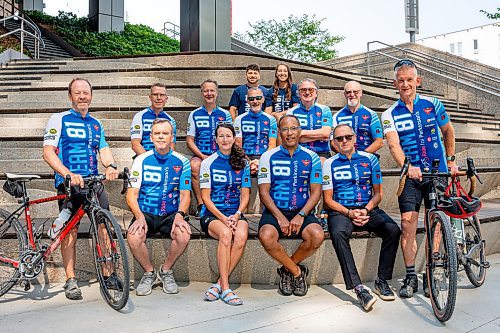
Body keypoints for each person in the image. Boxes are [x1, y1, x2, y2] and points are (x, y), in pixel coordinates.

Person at [381, 59, 458, 298]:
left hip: (437, 172)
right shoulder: (388, 114)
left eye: (409, 79)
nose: (405, 84)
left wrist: (452, 159)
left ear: (418, 81)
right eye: (401, 80)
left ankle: (433, 270)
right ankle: (411, 275)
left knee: (436, 222)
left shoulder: (433, 104)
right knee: (407, 223)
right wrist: (408, 165)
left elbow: (448, 131)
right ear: (395, 83)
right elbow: (394, 145)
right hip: (411, 175)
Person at [43, 78, 119, 300]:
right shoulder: (59, 119)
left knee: (104, 226)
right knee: (70, 230)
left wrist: (111, 165)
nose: (83, 96)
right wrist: (67, 173)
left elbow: (103, 149)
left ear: (91, 96)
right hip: (69, 184)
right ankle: (71, 279)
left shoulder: (96, 124)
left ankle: (109, 275)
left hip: (93, 183)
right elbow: (48, 152)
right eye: (78, 93)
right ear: (70, 96)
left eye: (86, 92)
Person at [323, 124, 400, 311]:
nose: (344, 141)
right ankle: (358, 288)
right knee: (338, 233)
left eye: (348, 137)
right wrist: (349, 213)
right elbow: (327, 199)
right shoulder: (328, 164)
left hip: (368, 208)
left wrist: (365, 210)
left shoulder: (371, 159)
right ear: (334, 143)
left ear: (355, 138)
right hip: (341, 210)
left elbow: (378, 194)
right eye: (339, 139)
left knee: (393, 230)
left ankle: (382, 281)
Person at [258, 115, 325, 297]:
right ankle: (296, 272)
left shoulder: (312, 157)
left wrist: (301, 215)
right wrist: (280, 217)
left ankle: (286, 270)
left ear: (300, 131)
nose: (290, 133)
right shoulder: (268, 156)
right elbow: (263, 192)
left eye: (294, 128)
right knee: (266, 237)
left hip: (301, 211)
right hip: (275, 211)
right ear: (279, 132)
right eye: (285, 129)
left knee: (317, 236)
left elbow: (316, 192)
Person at [126, 118, 192, 296]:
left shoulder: (182, 161)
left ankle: (165, 270)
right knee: (133, 237)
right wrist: (139, 216)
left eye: (165, 133)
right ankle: (149, 272)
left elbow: (186, 195)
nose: (161, 137)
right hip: (145, 212)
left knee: (184, 234)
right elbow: (131, 194)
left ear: (172, 137)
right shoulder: (141, 160)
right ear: (151, 137)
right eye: (157, 133)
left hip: (171, 213)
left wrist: (180, 214)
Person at [199, 123, 251, 306]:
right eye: (221, 136)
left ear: (234, 138)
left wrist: (237, 215)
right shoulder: (207, 163)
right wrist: (223, 218)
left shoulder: (243, 162)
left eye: (228, 135)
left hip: (234, 214)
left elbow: (246, 195)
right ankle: (227, 288)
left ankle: (219, 284)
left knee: (242, 235)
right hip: (213, 214)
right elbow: (205, 197)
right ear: (215, 140)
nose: (225, 139)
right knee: (226, 234)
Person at [186, 79, 232, 218]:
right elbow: (190, 140)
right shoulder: (194, 114)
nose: (209, 93)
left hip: (221, 154)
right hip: (201, 154)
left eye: (212, 90)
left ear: (217, 93)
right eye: (206, 90)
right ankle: (201, 205)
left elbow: (229, 138)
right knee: (194, 166)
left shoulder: (225, 115)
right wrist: (202, 156)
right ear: (202, 93)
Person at [286, 78, 333, 162]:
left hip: (321, 153)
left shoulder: (325, 109)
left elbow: (325, 134)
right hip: (299, 152)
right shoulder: (291, 112)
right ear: (299, 94)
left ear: (316, 93)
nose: (307, 92)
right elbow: (291, 138)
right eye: (303, 90)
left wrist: (301, 133)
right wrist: (318, 135)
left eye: (311, 90)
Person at [331, 81, 383, 155]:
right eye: (349, 92)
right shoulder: (336, 116)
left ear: (361, 93)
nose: (352, 95)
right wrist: (347, 156)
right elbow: (333, 142)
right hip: (344, 157)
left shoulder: (371, 114)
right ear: (345, 94)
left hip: (367, 156)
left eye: (355, 92)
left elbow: (379, 141)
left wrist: (361, 156)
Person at [235, 87, 278, 174]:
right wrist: (248, 162)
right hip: (244, 157)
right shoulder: (239, 119)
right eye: (251, 99)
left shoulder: (271, 119)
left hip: (265, 156)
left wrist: (260, 161)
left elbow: (272, 144)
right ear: (247, 100)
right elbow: (238, 145)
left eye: (258, 98)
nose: (255, 101)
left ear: (263, 99)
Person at [130, 83, 177, 155]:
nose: (158, 98)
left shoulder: (170, 120)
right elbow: (135, 144)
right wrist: (149, 160)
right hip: (143, 157)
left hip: (164, 158)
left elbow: (171, 145)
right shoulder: (139, 116)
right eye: (155, 95)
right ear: (150, 97)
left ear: (166, 98)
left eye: (162, 95)